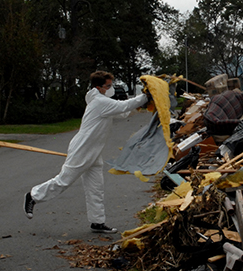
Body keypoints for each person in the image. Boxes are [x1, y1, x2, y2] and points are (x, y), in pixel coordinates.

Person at [23, 70, 149, 233]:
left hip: (93, 152)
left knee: (96, 188)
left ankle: (97, 222)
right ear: (98, 87)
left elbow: (123, 113)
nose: (111, 88)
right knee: (64, 181)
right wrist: (145, 96)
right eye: (108, 86)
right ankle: (33, 196)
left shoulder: (102, 101)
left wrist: (140, 105)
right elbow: (123, 106)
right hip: (82, 149)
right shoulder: (99, 102)